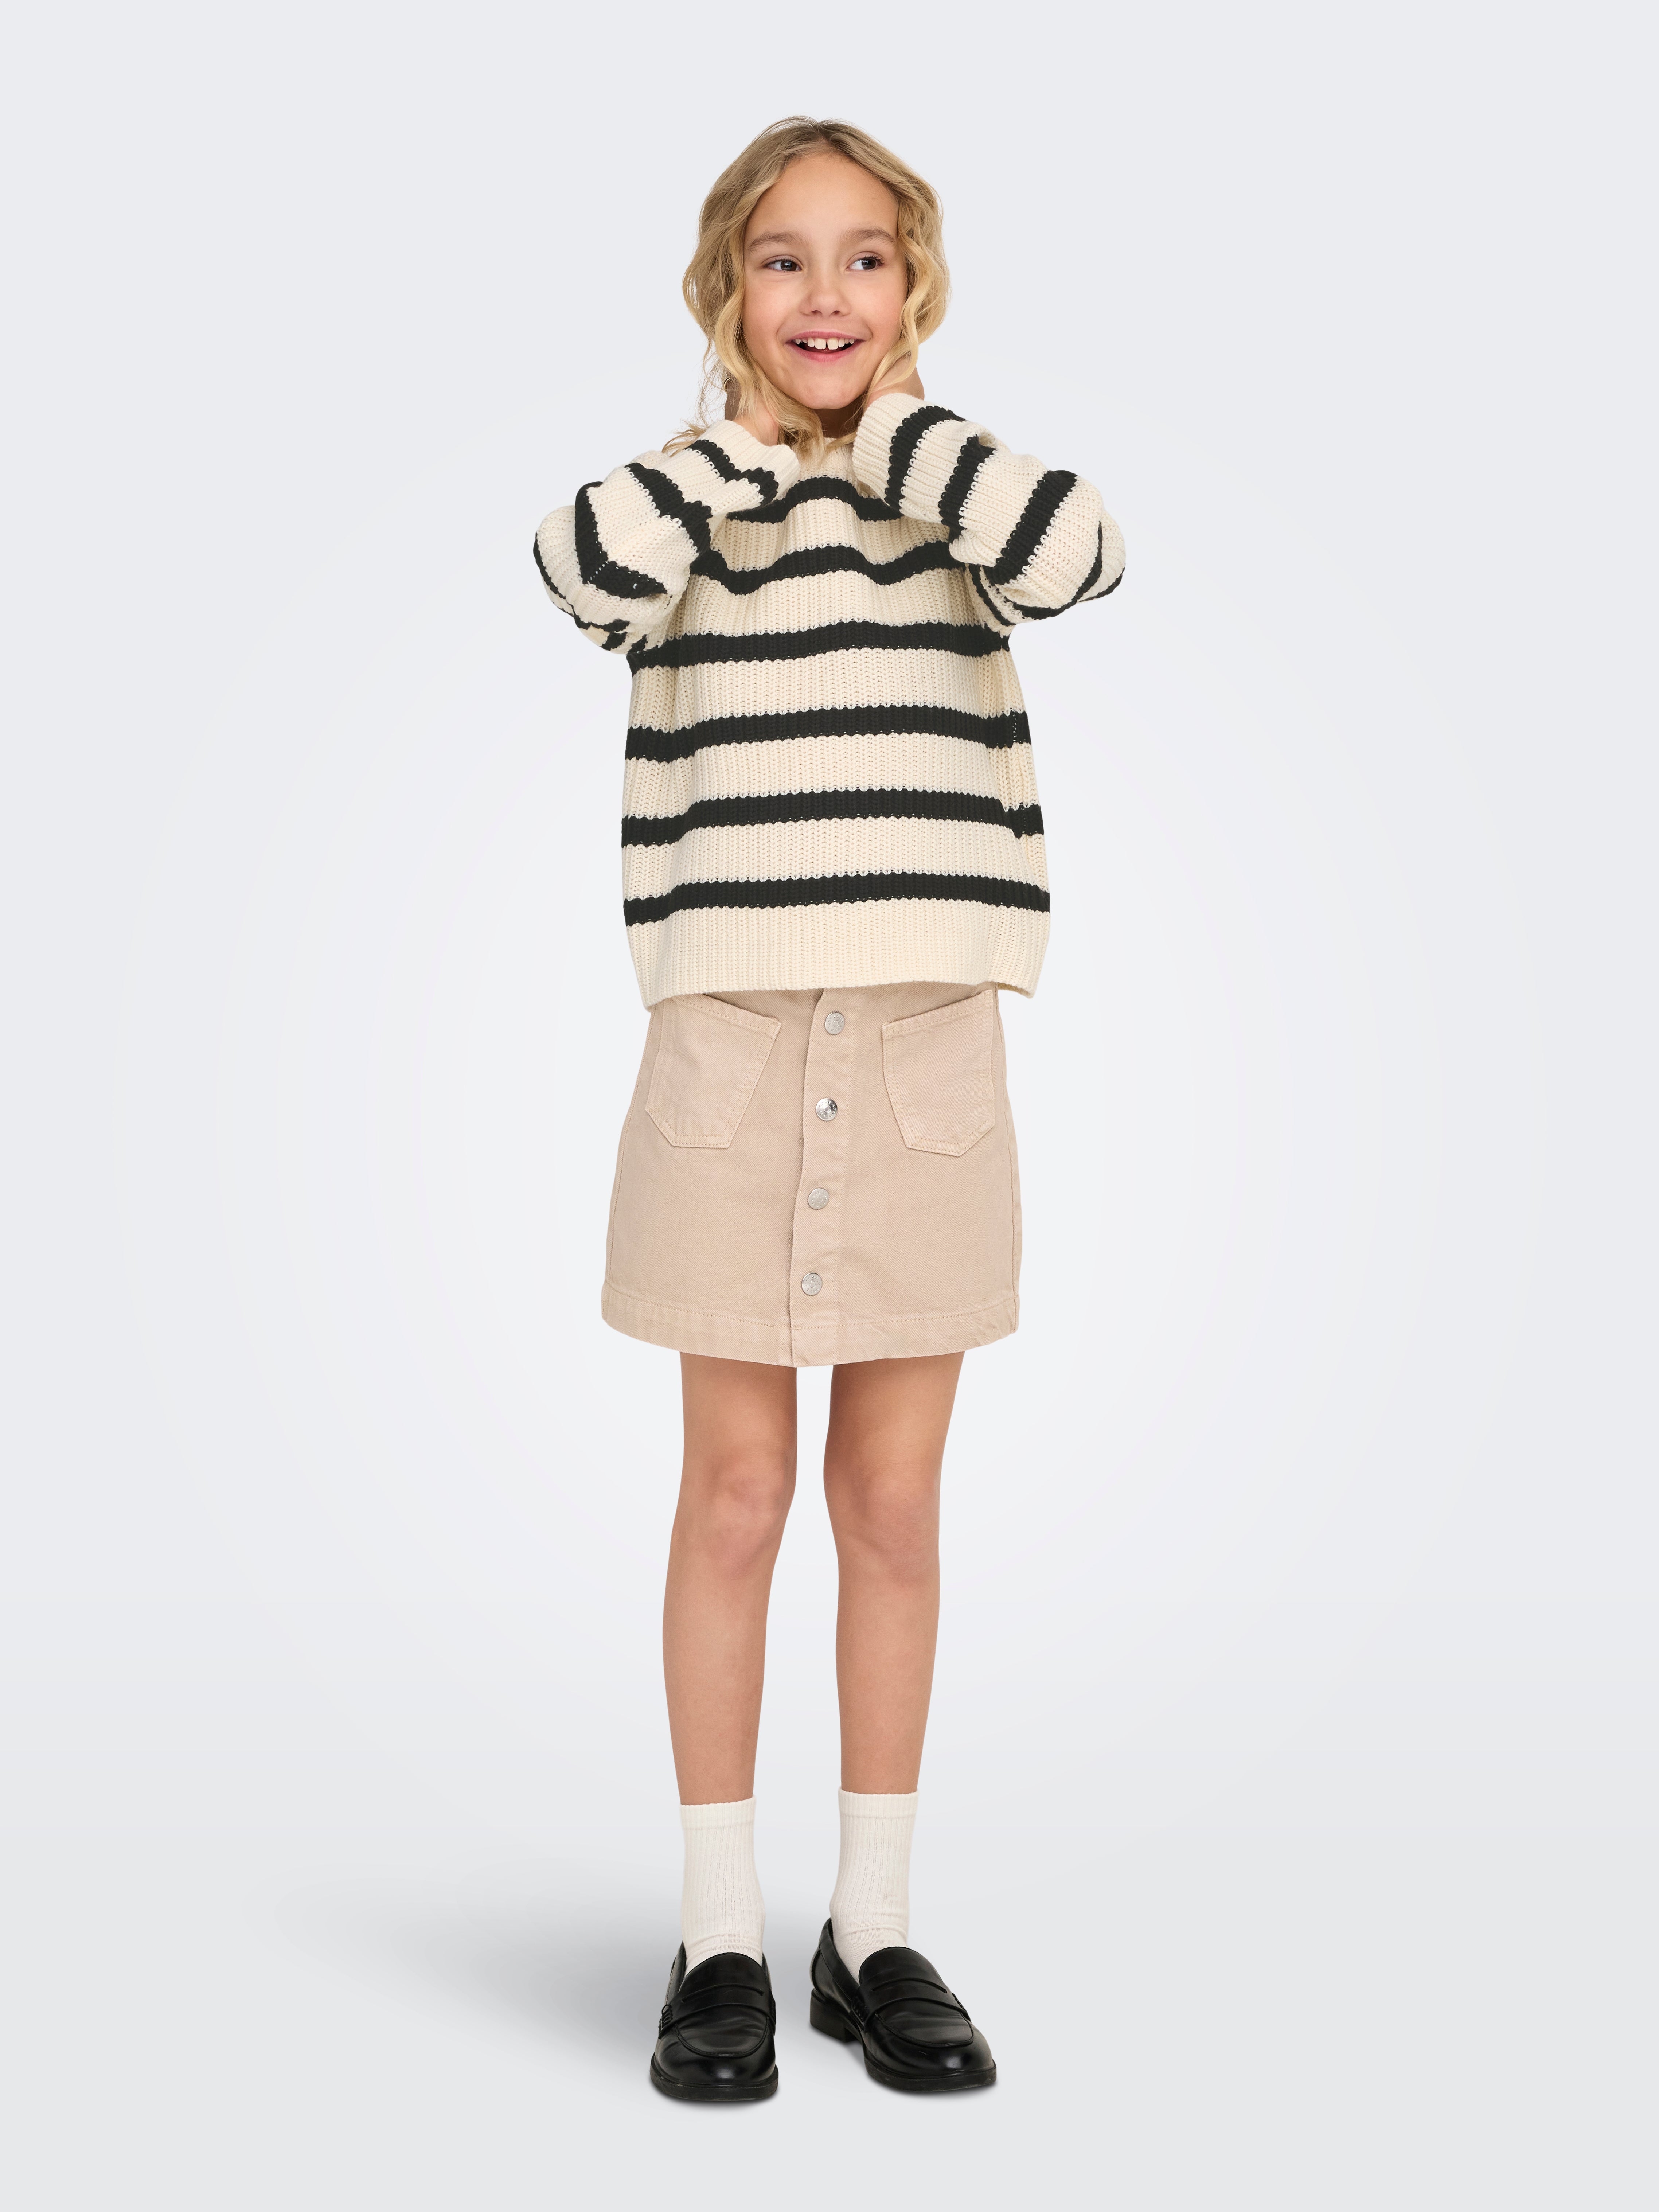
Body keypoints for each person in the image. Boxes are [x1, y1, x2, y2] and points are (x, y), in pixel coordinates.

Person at [533, 114, 1124, 2102]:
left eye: (866, 258)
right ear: (727, 289)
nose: (825, 295)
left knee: (891, 1501)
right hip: (730, 1037)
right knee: (731, 1494)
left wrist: (893, 435)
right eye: (781, 260)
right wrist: (749, 447)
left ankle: (871, 1927)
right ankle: (717, 1928)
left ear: (914, 287)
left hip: (927, 1033)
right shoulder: (683, 503)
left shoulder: (955, 490)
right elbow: (577, 572)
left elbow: (1081, 554)